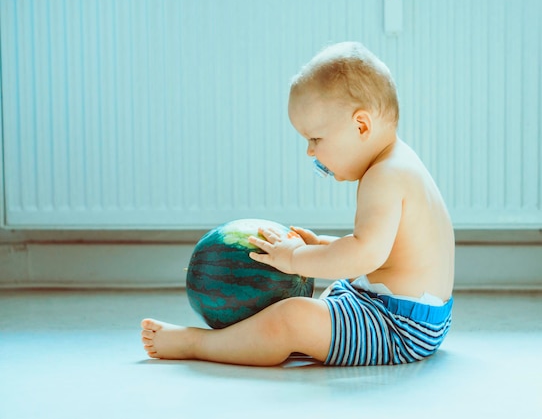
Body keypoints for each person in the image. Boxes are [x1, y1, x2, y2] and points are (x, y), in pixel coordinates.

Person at [141, 42, 455, 366]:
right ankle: (260, 339)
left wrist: (295, 258)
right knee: (317, 306)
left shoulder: (384, 176)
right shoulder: (399, 162)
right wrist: (321, 245)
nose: (310, 152)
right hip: (414, 312)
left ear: (361, 126)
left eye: (316, 139)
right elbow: (384, 255)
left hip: (398, 328)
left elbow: (365, 255)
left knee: (290, 319)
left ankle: (200, 344)